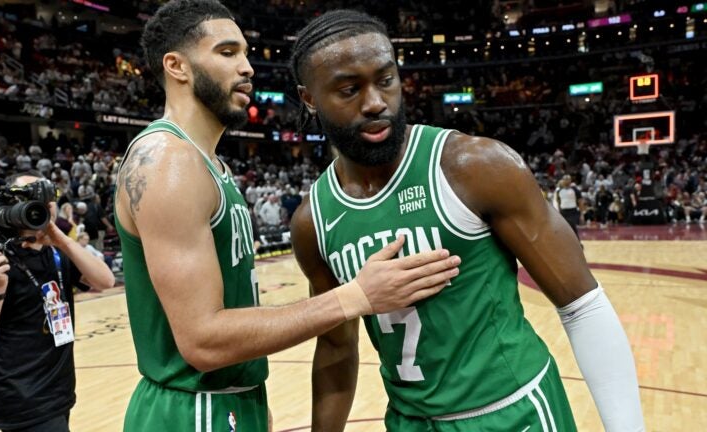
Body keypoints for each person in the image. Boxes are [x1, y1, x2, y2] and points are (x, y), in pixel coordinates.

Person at [288, 10, 644, 432]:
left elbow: (582, 306)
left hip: (513, 414)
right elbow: (336, 348)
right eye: (349, 89)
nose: (375, 102)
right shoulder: (313, 222)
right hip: (410, 422)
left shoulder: (473, 166)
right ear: (309, 98)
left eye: (386, 80)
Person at [114, 1, 461, 430]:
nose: (247, 68)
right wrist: (355, 297)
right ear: (177, 66)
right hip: (191, 410)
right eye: (227, 53)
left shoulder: (204, 163)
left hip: (226, 402)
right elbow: (202, 340)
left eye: (244, 52)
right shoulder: (169, 162)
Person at [0, 171, 115, 432]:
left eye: (46, 197)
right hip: (20, 397)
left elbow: (105, 281)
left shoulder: (55, 252)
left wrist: (60, 237)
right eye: (29, 197)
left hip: (57, 391)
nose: (41, 204)